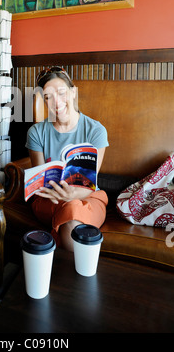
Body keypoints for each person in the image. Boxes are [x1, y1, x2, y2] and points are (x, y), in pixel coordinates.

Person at [26, 66, 109, 251]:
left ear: (73, 93)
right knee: (70, 210)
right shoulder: (36, 132)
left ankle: (57, 266)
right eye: (48, 97)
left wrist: (73, 195)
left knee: (72, 210)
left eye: (62, 93)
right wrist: (62, 195)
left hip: (88, 197)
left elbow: (89, 183)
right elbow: (40, 184)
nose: (57, 102)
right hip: (50, 199)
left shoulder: (96, 131)